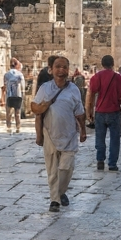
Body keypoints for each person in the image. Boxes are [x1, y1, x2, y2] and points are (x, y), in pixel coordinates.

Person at [30, 55, 86, 212]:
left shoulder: (74, 90)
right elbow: (36, 110)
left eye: (64, 67)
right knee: (52, 170)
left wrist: (83, 130)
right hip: (50, 133)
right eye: (58, 67)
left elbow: (80, 112)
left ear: (68, 70)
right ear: (51, 70)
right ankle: (55, 200)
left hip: (69, 134)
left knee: (66, 168)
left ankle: (60, 192)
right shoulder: (45, 89)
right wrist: (39, 135)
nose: (61, 70)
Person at [86, 54, 121, 172]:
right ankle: (112, 163)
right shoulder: (117, 77)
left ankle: (100, 160)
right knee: (115, 139)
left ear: (102, 64)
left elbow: (91, 94)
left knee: (100, 137)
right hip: (114, 111)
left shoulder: (96, 77)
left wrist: (89, 111)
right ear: (112, 64)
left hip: (100, 111)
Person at [2, 58, 25, 133]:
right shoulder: (20, 74)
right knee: (17, 113)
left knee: (8, 113)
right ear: (17, 65)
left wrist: (3, 97)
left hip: (9, 95)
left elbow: (4, 86)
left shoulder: (6, 74)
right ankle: (18, 127)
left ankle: (9, 127)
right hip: (18, 95)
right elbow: (22, 86)